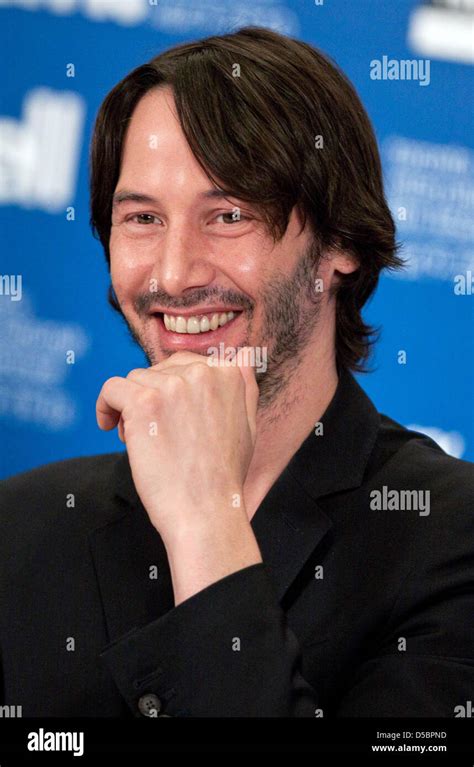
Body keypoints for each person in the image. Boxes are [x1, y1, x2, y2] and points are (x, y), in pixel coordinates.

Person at [1, 27, 473, 718]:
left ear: (338, 241)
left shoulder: (449, 537)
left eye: (227, 214)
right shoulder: (19, 527)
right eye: (142, 218)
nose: (172, 273)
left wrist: (205, 521)